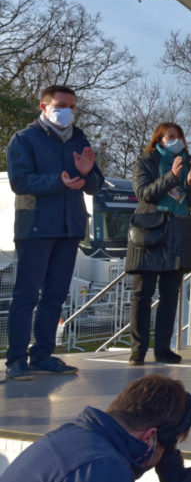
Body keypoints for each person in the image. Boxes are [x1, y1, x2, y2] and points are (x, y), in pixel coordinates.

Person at [0, 374, 191, 482]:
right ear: (150, 437)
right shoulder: (104, 468)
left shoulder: (77, 437)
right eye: (169, 446)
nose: (165, 457)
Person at [4, 84, 104, 381]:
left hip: (70, 227)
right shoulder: (24, 139)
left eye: (72, 107)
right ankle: (16, 360)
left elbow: (95, 185)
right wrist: (57, 181)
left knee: (56, 295)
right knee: (26, 296)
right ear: (44, 107)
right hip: (35, 228)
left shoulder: (80, 139)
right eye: (61, 106)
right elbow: (20, 182)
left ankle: (43, 355)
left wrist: (86, 173)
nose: (67, 112)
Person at [125, 123, 191, 366]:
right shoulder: (145, 162)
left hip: (178, 234)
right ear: (159, 139)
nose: (176, 140)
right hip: (150, 235)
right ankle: (138, 351)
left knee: (170, 295)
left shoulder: (188, 162)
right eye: (170, 136)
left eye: (179, 136)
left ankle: (163, 349)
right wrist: (171, 177)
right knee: (142, 294)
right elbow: (144, 193)